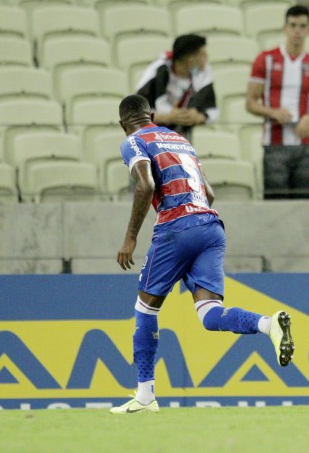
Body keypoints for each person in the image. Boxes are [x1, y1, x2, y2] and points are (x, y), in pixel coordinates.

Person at [109, 95, 294, 414]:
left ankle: (144, 396)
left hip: (177, 227)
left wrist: (130, 238)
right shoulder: (179, 140)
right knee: (209, 314)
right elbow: (208, 192)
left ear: (124, 124)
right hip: (211, 225)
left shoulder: (134, 141)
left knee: (146, 307)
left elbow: (145, 185)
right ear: (152, 115)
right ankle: (269, 325)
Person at [247, 5, 309, 199]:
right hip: (274, 144)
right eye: (293, 25)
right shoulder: (265, 60)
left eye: (302, 26)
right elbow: (250, 102)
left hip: (306, 145)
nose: (297, 31)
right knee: (275, 206)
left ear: (308, 30)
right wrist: (273, 113)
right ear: (285, 28)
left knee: (303, 207)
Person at [135, 34, 218, 140]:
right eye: (202, 55)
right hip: (152, 140)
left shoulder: (203, 72)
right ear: (190, 60)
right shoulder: (158, 71)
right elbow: (136, 115)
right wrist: (168, 117)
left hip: (181, 140)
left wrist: (200, 117)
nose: (206, 58)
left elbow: (212, 110)